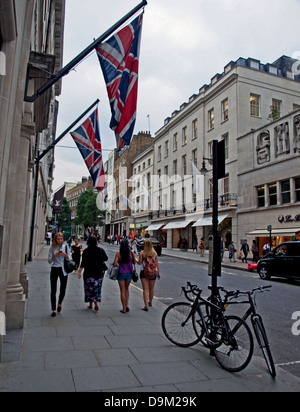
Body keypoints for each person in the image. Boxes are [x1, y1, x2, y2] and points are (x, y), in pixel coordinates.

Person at [77, 235, 108, 311]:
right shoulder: (100, 250)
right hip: (99, 272)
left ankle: (90, 304)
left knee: (89, 288)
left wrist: (79, 272)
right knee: (97, 287)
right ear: (96, 242)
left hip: (88, 273)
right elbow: (106, 258)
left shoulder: (86, 251)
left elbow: (83, 263)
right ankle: (95, 300)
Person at [48, 232, 72, 317]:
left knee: (63, 288)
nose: (59, 240)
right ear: (55, 239)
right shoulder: (52, 248)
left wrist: (65, 254)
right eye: (58, 239)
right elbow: (49, 261)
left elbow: (70, 258)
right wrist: (55, 255)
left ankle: (60, 303)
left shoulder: (66, 247)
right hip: (55, 268)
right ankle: (53, 309)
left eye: (61, 239)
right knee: (53, 289)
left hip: (63, 270)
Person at [113, 239, 138, 313]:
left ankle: (123, 308)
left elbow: (115, 264)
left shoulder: (118, 253)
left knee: (122, 291)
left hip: (121, 273)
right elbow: (134, 262)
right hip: (129, 273)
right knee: (127, 289)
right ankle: (127, 305)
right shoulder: (131, 253)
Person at [138, 239, 160, 312]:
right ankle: (150, 302)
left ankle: (146, 305)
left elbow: (139, 263)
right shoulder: (154, 253)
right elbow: (156, 264)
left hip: (144, 272)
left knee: (145, 289)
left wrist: (134, 259)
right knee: (151, 288)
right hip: (153, 272)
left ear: (145, 245)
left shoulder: (142, 253)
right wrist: (158, 273)